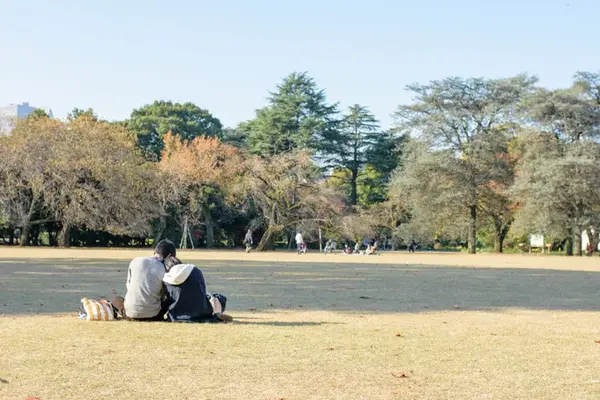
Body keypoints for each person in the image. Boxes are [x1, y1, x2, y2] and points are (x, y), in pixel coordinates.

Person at [111, 239, 176, 321]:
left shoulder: (135, 261)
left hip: (131, 314)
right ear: (170, 255)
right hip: (154, 316)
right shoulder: (163, 268)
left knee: (116, 299)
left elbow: (129, 286)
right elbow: (164, 295)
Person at [162, 256, 232, 323]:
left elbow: (167, 298)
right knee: (219, 297)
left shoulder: (166, 278)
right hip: (201, 313)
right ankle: (217, 312)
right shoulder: (194, 270)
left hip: (176, 315)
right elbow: (203, 291)